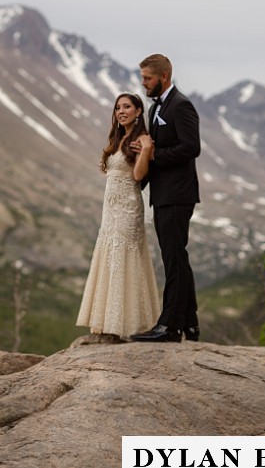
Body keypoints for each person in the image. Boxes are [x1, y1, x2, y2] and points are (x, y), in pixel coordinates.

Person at [76, 93, 160, 339]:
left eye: (126, 107)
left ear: (137, 111)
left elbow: (138, 175)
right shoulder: (116, 138)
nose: (121, 111)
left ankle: (128, 324)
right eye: (117, 108)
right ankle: (106, 320)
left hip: (128, 205)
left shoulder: (142, 139)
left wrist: (145, 150)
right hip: (110, 209)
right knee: (109, 253)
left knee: (125, 254)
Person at [130, 54, 201, 343]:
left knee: (173, 259)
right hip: (163, 194)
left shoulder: (181, 105)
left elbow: (191, 148)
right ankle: (190, 322)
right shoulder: (154, 108)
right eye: (143, 77)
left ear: (164, 76)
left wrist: (156, 153)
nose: (143, 83)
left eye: (148, 78)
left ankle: (169, 326)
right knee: (177, 258)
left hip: (177, 194)